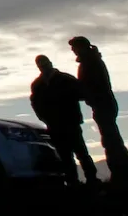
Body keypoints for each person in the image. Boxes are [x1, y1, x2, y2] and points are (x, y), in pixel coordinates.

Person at [69, 36, 128, 185]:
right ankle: (125, 174)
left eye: (74, 47)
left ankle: (123, 174)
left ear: (81, 47)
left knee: (110, 140)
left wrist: (77, 91)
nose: (73, 51)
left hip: (102, 103)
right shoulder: (92, 60)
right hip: (103, 103)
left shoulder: (90, 62)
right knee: (112, 139)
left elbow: (91, 86)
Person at [30, 54, 97, 186]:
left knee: (81, 153)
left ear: (50, 62)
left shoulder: (66, 79)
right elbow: (35, 103)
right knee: (65, 156)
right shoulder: (37, 85)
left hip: (70, 122)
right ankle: (73, 181)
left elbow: (81, 93)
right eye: (40, 64)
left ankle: (92, 179)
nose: (43, 66)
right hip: (54, 125)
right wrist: (44, 118)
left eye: (45, 63)